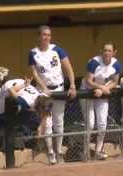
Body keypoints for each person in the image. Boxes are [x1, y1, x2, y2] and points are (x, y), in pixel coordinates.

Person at [28, 25, 77, 164]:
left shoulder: (57, 50)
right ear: (39, 36)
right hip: (44, 91)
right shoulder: (33, 52)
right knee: (47, 123)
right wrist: (43, 88)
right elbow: (34, 73)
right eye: (44, 34)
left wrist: (72, 85)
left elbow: (69, 68)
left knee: (59, 121)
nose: (46, 37)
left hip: (59, 88)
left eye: (49, 35)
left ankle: (59, 150)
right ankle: (50, 152)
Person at [79, 41, 122, 160]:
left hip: (101, 92)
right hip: (87, 92)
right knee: (90, 124)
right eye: (105, 50)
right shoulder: (94, 62)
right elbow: (89, 81)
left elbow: (115, 81)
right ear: (101, 51)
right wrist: (101, 87)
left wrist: (104, 89)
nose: (107, 52)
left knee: (102, 123)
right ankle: (85, 150)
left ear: (114, 52)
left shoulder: (116, 64)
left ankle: (98, 150)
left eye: (109, 50)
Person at [7, 77, 56, 164]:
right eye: (42, 111)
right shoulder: (26, 102)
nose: (44, 113)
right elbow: (10, 90)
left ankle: (50, 151)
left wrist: (40, 128)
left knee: (47, 124)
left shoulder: (44, 98)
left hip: (24, 85)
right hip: (11, 86)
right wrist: (24, 85)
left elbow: (45, 114)